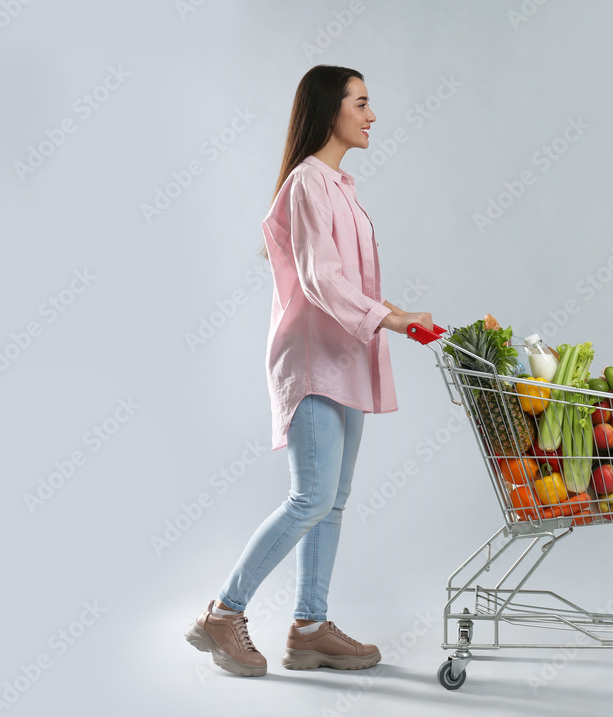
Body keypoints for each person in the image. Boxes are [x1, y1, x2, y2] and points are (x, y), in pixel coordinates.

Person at [185, 65, 434, 677]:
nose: (372, 116)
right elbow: (321, 281)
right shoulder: (306, 183)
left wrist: (395, 312)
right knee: (310, 497)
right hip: (313, 359)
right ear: (331, 111)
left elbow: (340, 278)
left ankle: (310, 627)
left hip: (344, 355)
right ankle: (224, 611)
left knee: (334, 500)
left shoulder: (340, 186)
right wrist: (390, 321)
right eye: (362, 103)